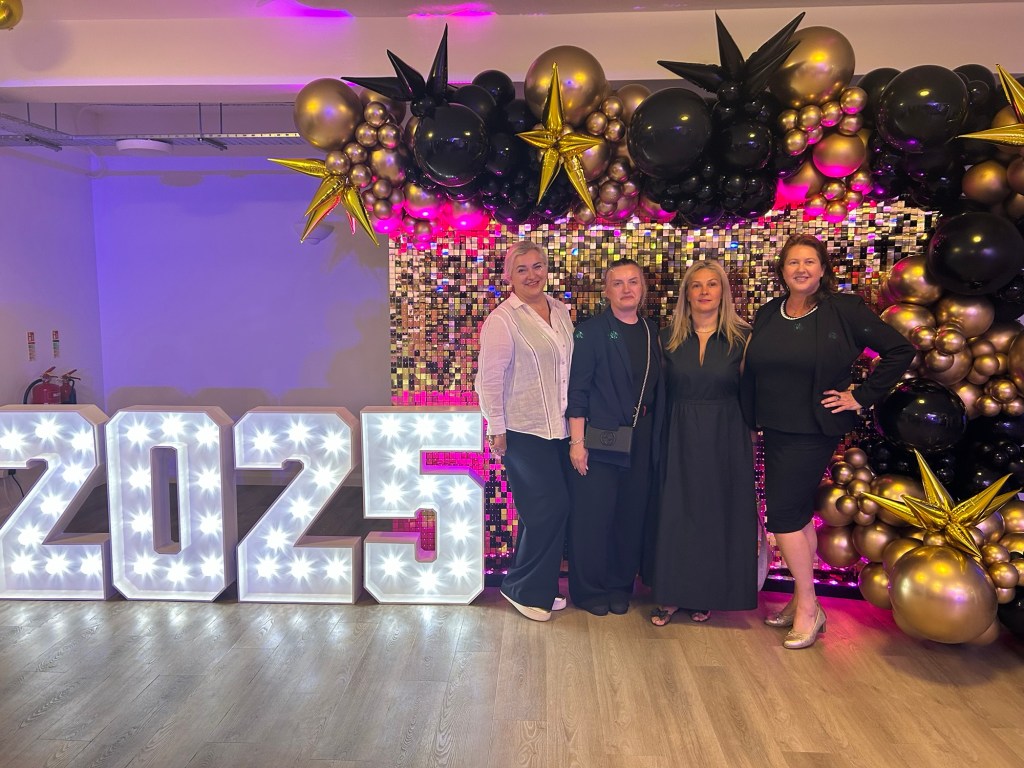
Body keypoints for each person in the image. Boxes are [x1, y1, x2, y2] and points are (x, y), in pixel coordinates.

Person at [743, 233, 914, 649]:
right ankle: (801, 599)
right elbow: (753, 371)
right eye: (793, 262)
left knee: (782, 517)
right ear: (782, 270)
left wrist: (862, 396)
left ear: (822, 269)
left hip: (814, 430)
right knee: (798, 516)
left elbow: (899, 350)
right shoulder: (769, 313)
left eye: (809, 261)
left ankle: (809, 607)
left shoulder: (844, 310)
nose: (801, 269)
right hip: (775, 428)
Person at [649, 260, 756, 626]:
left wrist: (752, 435)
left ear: (723, 292)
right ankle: (670, 595)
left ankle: (704, 595)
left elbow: (750, 392)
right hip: (677, 432)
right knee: (676, 511)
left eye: (712, 284)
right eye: (697, 285)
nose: (705, 291)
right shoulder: (666, 337)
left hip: (726, 434)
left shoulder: (744, 338)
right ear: (687, 294)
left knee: (714, 512)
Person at [476, 240, 574, 622]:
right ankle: (522, 589)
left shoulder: (560, 310)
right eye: (522, 269)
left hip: (560, 428)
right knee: (548, 509)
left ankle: (540, 586)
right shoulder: (502, 320)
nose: (532, 275)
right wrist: (496, 428)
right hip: (522, 430)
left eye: (537, 266)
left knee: (549, 511)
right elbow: (490, 379)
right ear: (509, 277)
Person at [566, 258, 663, 616]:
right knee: (593, 518)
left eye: (633, 281)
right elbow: (577, 391)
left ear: (643, 288)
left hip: (641, 439)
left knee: (629, 517)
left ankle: (620, 586)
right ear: (606, 291)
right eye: (618, 283)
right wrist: (577, 443)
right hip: (598, 440)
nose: (626, 289)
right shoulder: (589, 332)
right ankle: (589, 591)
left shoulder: (653, 332)